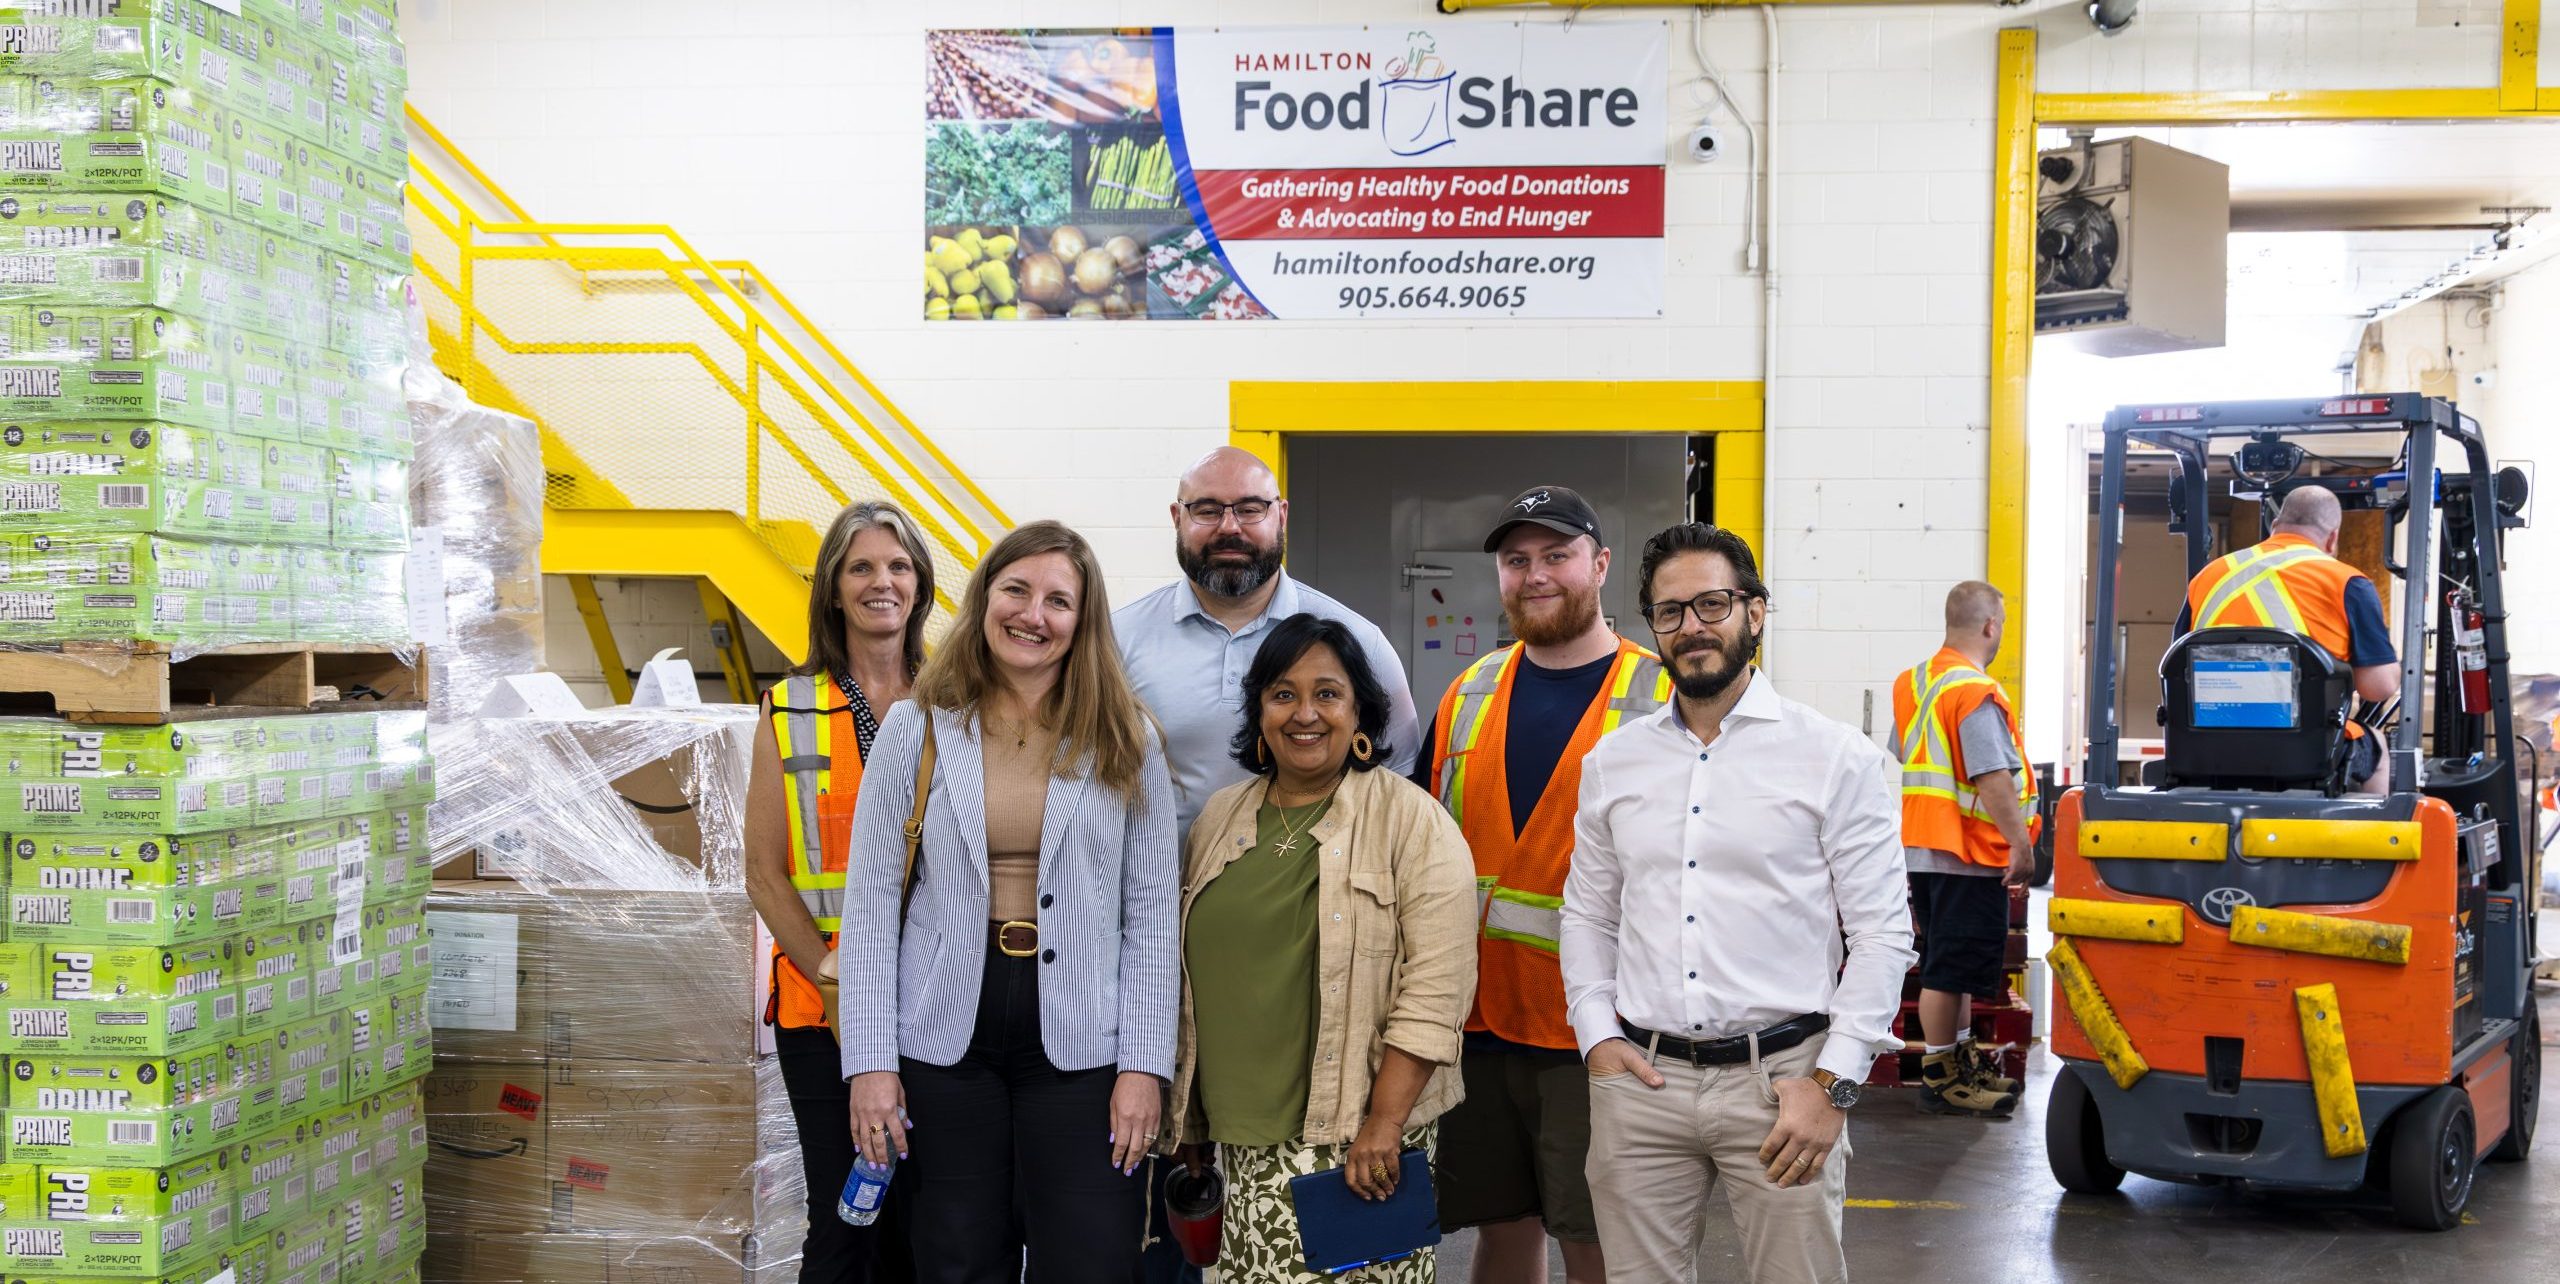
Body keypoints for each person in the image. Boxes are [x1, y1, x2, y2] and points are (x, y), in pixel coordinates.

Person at [1560, 523, 1916, 1284]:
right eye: (1670, 611)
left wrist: (1834, 1086)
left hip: (1786, 1083)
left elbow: (1883, 935)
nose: (1692, 626)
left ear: (1755, 612)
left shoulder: (1833, 758)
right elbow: (1588, 913)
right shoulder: (1614, 763)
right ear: (1653, 628)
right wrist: (1597, 1039)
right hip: (1642, 1086)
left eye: (1712, 604)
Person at [839, 520, 1180, 1284]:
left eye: (1059, 600)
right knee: (956, 1259)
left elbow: (1154, 917)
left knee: (1091, 1260)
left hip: (1085, 1040)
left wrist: (1143, 1067)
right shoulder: (917, 728)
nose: (1033, 614)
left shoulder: (1127, 740)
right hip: (943, 1032)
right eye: (1016, 590)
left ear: (1083, 621)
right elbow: (869, 910)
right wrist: (870, 1065)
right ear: (984, 598)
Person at [1161, 614, 1477, 1284]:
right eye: (1283, 694)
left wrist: (1384, 1125)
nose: (1305, 713)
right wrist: (1192, 1124)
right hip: (1240, 1145)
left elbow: (1439, 988)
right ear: (1260, 712)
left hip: (1355, 1142)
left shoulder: (1410, 820)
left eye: (1327, 694)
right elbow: (1194, 981)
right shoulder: (1220, 817)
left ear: (1360, 711)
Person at [1411, 486, 1665, 1284]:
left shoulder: (1663, 697)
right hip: (1479, 1021)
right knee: (1503, 1228)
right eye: (1517, 560)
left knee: (1597, 1240)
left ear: (1601, 564)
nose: (1536, 575)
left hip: (1599, 1029)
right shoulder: (1469, 693)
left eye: (1557, 555)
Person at [745, 501, 935, 1284]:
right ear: (832, 587)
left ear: (920, 585)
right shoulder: (788, 707)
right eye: (860, 567)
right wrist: (838, 984)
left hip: (936, 1005)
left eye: (897, 566)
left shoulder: (957, 705)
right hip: (819, 1010)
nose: (880, 582)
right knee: (847, 1217)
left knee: (927, 1224)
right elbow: (765, 871)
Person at [1116, 445, 1421, 839]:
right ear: (1178, 518)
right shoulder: (1119, 638)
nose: (1229, 527)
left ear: (1281, 515)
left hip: (1316, 878)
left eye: (1250, 509)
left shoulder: (1360, 641)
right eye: (1207, 510)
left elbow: (1400, 783)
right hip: (1161, 879)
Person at [1891, 582, 2039, 1120]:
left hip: (1927, 847)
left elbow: (1904, 751)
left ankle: (1958, 1068)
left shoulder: (1914, 682)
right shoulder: (1974, 690)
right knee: (1948, 971)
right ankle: (1941, 1078)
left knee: (1952, 969)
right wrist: (2020, 844)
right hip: (1967, 851)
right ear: (1990, 626)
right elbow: (1990, 774)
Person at [2181, 485, 2399, 794]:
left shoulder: (2209, 576)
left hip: (2206, 746)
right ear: (2333, 537)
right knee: (2377, 745)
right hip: (2305, 752)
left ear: (2275, 526)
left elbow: (2178, 662)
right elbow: (2379, 688)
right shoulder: (2346, 581)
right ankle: (2366, 826)